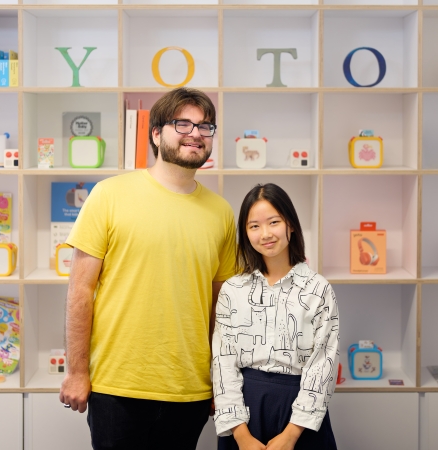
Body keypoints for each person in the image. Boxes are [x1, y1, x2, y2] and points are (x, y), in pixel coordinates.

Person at [59, 87, 237, 450]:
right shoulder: (109, 195)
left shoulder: (221, 212)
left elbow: (222, 308)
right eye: (182, 123)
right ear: (156, 134)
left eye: (205, 127)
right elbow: (80, 291)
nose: (196, 133)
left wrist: (223, 381)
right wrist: (77, 372)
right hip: (116, 384)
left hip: (189, 387)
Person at [212, 183, 339, 450]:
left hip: (301, 416)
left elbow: (322, 366)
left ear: (290, 225)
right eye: (254, 226)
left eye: (274, 222)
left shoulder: (318, 288)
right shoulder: (232, 290)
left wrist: (291, 435)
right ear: (245, 234)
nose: (265, 234)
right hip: (244, 415)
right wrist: (241, 435)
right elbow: (223, 364)